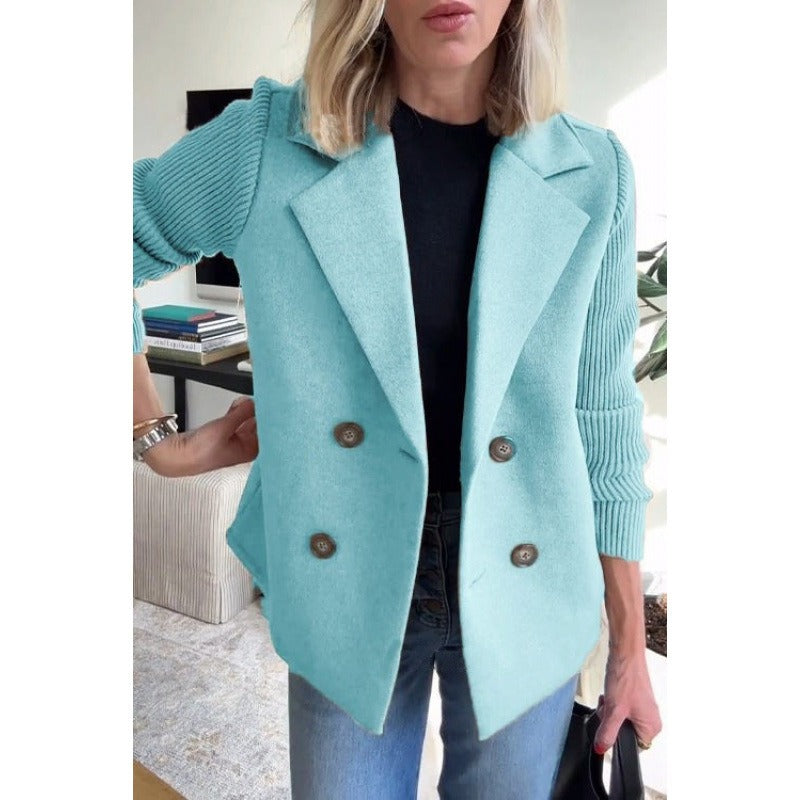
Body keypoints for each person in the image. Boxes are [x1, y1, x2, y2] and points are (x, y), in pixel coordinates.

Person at [132, 0, 663, 797]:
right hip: (347, 572)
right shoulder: (267, 145)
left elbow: (603, 411)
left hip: (532, 571)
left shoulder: (593, 170)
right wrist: (156, 437)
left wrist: (628, 648)